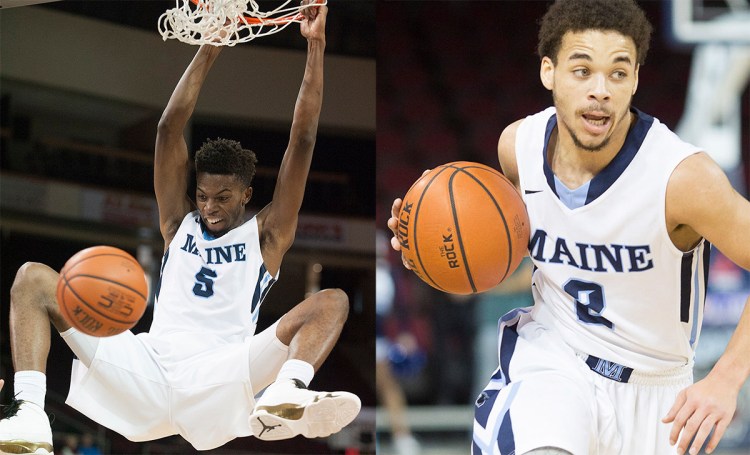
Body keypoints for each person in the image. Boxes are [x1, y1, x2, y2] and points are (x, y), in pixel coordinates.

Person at [387, 0, 750, 454]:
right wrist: (429, 248)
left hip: (656, 390)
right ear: (549, 72)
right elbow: (505, 253)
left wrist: (725, 380)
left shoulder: (683, 179)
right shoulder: (517, 146)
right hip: (553, 362)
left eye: (618, 73)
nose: (600, 89)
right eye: (582, 70)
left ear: (635, 79)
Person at [0, 3, 360, 454]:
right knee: (32, 278)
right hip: (147, 367)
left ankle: (287, 390)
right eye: (204, 196)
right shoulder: (177, 222)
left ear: (247, 195)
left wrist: (317, 46)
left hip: (223, 372)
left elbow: (302, 139)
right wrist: (213, 43)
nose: (209, 207)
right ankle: (29, 414)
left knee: (332, 302)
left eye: (223, 198)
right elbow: (169, 129)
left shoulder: (267, 236)